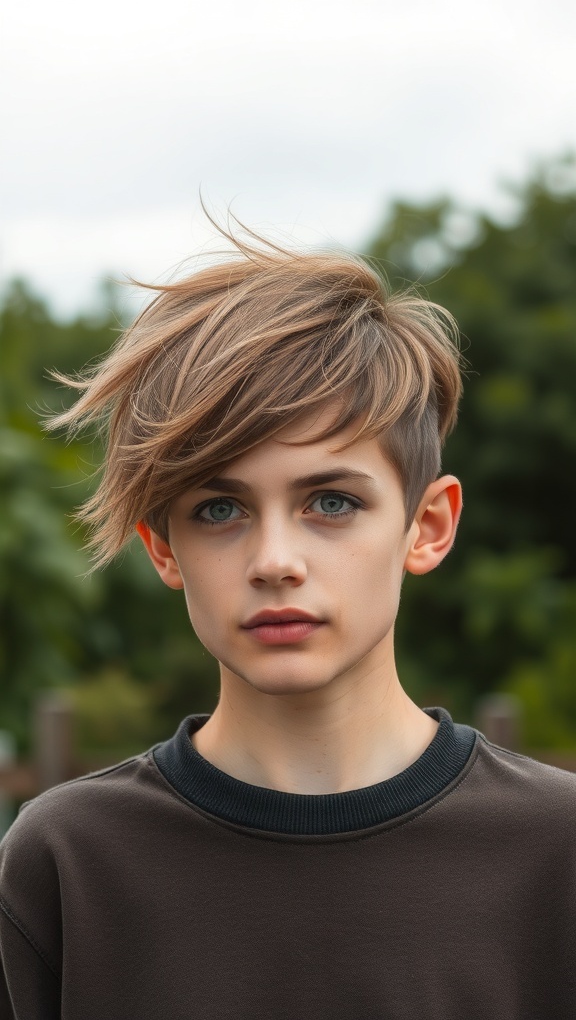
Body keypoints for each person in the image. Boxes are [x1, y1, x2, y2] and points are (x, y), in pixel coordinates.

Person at [1, 224, 575, 1020]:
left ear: (428, 526)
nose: (275, 559)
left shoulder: (558, 853)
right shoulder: (64, 862)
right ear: (164, 551)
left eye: (331, 502)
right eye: (220, 508)